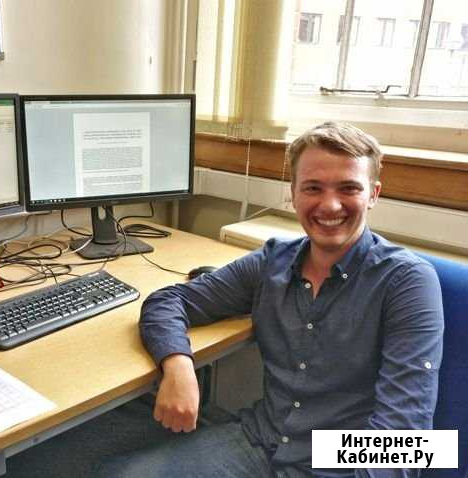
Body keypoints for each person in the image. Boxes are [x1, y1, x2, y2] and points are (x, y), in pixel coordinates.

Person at [97, 122, 444, 477]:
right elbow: (168, 302)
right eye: (313, 187)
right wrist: (179, 366)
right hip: (263, 439)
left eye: (349, 188)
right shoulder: (273, 261)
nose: (330, 204)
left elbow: (405, 439)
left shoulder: (407, 281)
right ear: (293, 193)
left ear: (373, 194)